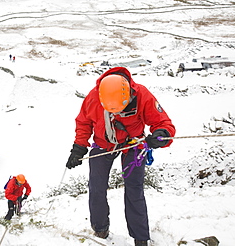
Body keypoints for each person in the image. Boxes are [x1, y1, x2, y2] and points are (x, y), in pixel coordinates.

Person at [65, 67, 175, 246]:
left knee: (134, 190)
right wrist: (79, 148)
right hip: (103, 143)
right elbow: (84, 122)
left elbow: (162, 122)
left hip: (133, 144)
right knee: (96, 188)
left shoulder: (142, 95)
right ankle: (100, 229)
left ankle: (140, 238)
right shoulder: (94, 97)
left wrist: (161, 134)